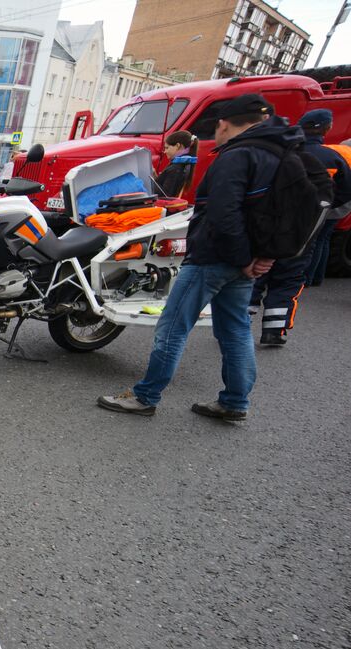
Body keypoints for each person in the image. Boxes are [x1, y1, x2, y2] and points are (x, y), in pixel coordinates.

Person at [99, 94, 288, 422]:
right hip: (247, 261)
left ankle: (145, 396)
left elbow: (222, 212)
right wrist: (261, 257)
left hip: (215, 258)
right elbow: (290, 215)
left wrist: (242, 257)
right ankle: (235, 401)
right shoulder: (281, 154)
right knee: (236, 329)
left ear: (223, 124)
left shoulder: (237, 155)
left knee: (173, 326)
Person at [246, 110, 347, 347]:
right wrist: (324, 214)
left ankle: (239, 323)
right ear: (326, 128)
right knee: (289, 279)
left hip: (269, 226)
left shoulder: (277, 155)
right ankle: (274, 330)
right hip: (303, 232)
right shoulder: (331, 158)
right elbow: (345, 192)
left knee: (256, 275)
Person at [293, 109, 351, 288]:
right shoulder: (334, 154)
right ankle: (314, 278)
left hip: (302, 208)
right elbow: (346, 187)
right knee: (322, 239)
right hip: (330, 207)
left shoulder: (292, 152)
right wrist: (331, 205)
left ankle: (303, 278)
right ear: (326, 129)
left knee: (307, 241)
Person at [154, 131, 198, 199]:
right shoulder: (183, 165)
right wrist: (154, 176)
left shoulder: (175, 169)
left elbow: (165, 196)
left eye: (167, 148)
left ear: (177, 146)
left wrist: (149, 182)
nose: (165, 151)